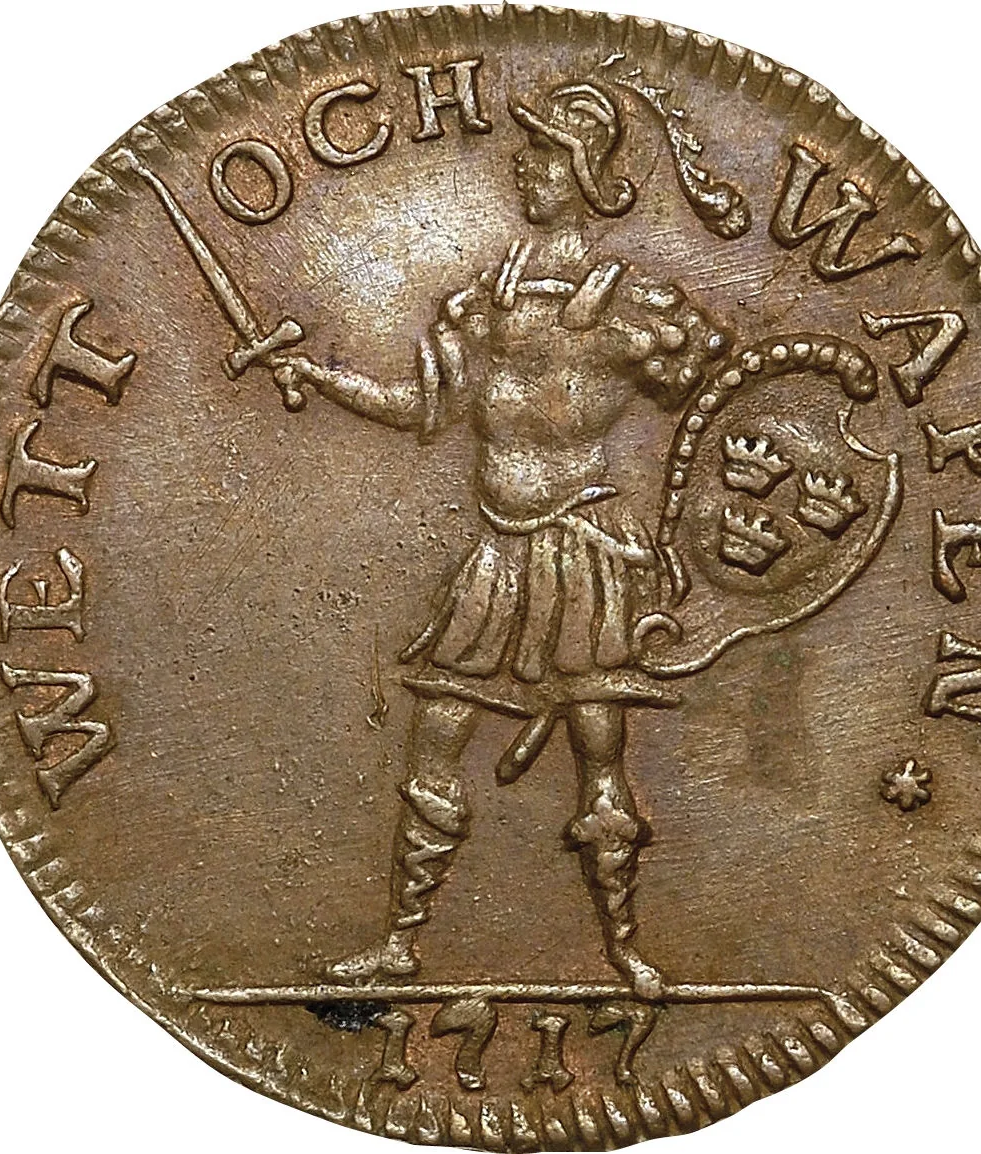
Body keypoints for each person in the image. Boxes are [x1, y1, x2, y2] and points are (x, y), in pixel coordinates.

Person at [270, 81, 730, 998]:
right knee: (436, 737)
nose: (526, 166)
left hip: (586, 555)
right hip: (497, 557)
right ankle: (401, 943)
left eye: (548, 154)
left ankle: (626, 952)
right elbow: (423, 410)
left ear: (589, 175)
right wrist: (320, 378)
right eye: (531, 151)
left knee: (600, 753)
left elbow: (712, 387)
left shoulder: (630, 303)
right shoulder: (489, 297)